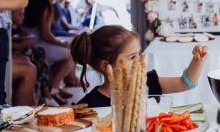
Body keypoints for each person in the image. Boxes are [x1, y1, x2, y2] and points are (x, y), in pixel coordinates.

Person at [70, 25, 208, 108]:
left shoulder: (147, 82)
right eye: (132, 57)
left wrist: (198, 60)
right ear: (106, 66)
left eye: (139, 55)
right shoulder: (90, 105)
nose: (139, 61)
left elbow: (185, 83)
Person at [23, 0, 74, 104]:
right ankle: (54, 87)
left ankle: (51, 88)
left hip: (25, 42)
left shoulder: (25, 1)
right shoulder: (44, 4)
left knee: (63, 55)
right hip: (37, 45)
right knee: (71, 53)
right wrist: (62, 43)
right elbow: (46, 35)